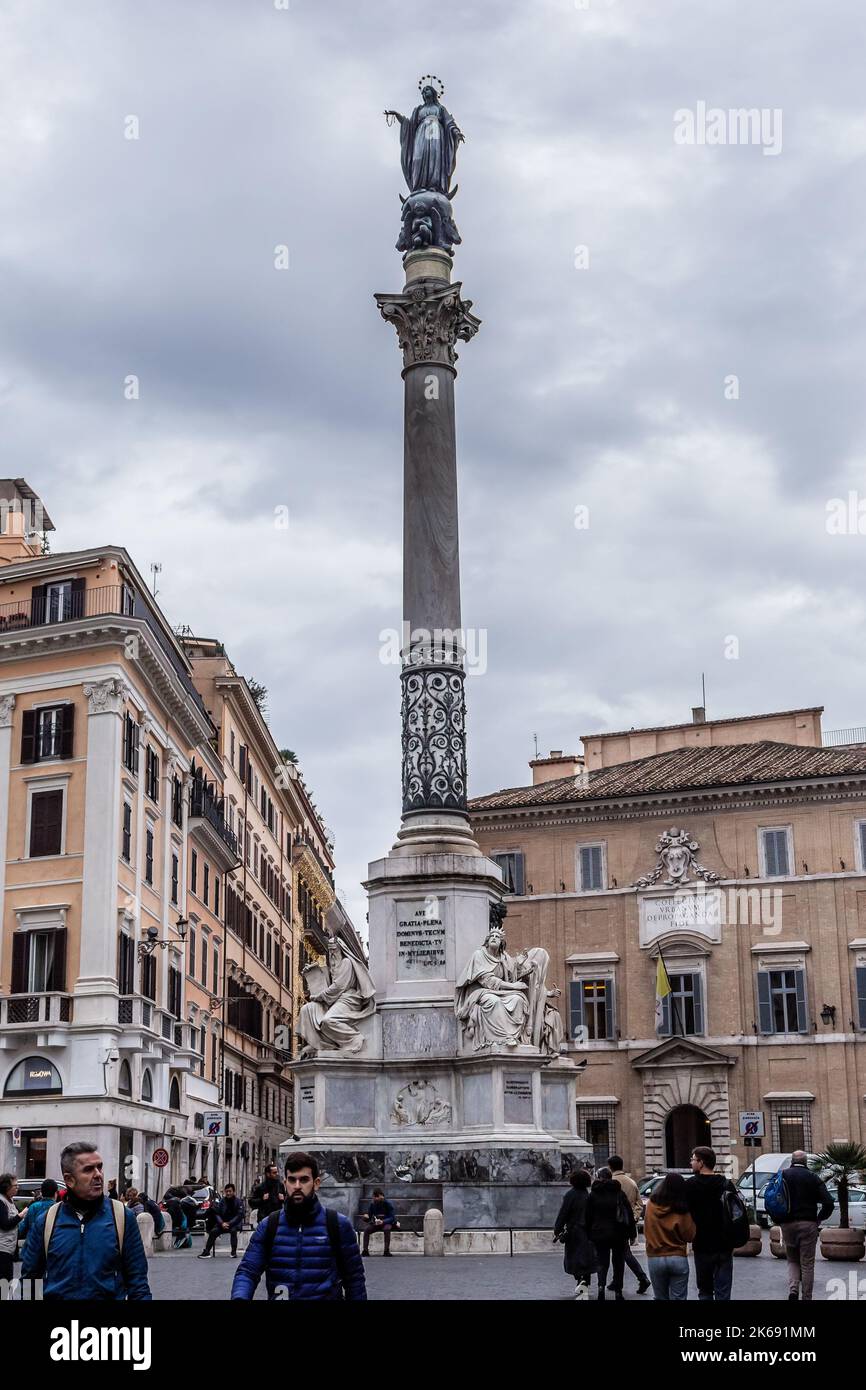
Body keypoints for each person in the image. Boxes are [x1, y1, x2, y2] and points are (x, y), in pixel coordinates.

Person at [21, 1141, 150, 1300]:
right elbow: (28, 1284)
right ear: (69, 1180)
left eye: (100, 1167)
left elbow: (138, 1283)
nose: (98, 1174)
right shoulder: (46, 1222)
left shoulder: (122, 1217)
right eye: (88, 1169)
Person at [231, 1152, 366, 1301]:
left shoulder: (338, 1225)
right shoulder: (269, 1225)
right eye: (292, 1180)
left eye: (304, 1180)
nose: (297, 1186)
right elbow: (248, 1271)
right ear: (285, 1184)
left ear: (316, 1183)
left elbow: (354, 1280)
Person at [685, 1146, 739, 1302]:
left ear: (701, 1163)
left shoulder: (690, 1185)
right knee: (723, 1291)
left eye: (693, 1159)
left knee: (705, 1290)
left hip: (702, 1243)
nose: (691, 1162)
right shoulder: (725, 1184)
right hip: (724, 1243)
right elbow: (736, 1212)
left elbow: (684, 1212)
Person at [779, 1151, 834, 1301]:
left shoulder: (782, 1175)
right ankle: (807, 1297)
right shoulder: (813, 1177)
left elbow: (772, 1199)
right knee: (807, 1263)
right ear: (805, 1162)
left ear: (792, 1161)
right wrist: (819, 1218)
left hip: (787, 1224)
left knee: (792, 1260)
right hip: (808, 1224)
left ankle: (793, 1290)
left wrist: (779, 1219)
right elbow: (828, 1202)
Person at [586, 1166, 636, 1300]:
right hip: (618, 1233)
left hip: (599, 1233)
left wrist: (588, 1233)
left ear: (599, 1177)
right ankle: (618, 1291)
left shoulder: (594, 1194)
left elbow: (588, 1216)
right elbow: (628, 1214)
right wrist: (632, 1234)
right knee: (618, 1262)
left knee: (602, 1262)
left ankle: (601, 1288)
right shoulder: (619, 1192)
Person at [643, 1173, 696, 1301]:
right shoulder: (682, 1207)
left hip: (655, 1257)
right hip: (677, 1257)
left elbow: (646, 1229)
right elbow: (690, 1236)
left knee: (660, 1297)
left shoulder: (651, 1204)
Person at [608, 1155, 651, 1295]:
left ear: (610, 1167)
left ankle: (642, 1277)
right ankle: (616, 1281)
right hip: (626, 1223)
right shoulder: (631, 1182)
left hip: (613, 1224)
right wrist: (634, 1219)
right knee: (618, 1254)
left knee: (624, 1253)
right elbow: (639, 1203)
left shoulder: (610, 1182)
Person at [553, 1168, 596, 1297]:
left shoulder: (570, 1195)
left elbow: (563, 1214)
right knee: (586, 1258)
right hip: (587, 1232)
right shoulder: (588, 1195)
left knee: (574, 1258)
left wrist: (557, 1229)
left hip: (574, 1232)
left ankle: (579, 1279)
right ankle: (585, 1282)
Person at [199, 1184, 245, 1258]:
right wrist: (221, 1223)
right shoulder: (222, 1201)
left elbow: (239, 1216)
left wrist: (229, 1223)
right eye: (226, 1191)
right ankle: (207, 1252)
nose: (228, 1193)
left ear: (234, 1192)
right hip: (223, 1223)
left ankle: (233, 1252)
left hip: (233, 1224)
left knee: (233, 1231)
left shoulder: (238, 1202)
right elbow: (217, 1213)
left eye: (230, 1191)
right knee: (213, 1231)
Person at [0, 1174, 27, 1282]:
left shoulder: (10, 1200)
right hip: (2, 1248)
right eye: (15, 1186)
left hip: (9, 1248)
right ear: (6, 1187)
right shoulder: (1, 1202)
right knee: (4, 1280)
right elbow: (5, 1224)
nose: (17, 1187)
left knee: (8, 1280)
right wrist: (21, 1215)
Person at [361, 1190, 397, 1256]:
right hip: (377, 1223)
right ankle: (365, 1250)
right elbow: (369, 1216)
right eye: (374, 1197)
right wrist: (365, 1217)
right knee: (367, 1230)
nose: (375, 1199)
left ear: (381, 1196)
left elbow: (392, 1217)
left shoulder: (387, 1203)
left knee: (386, 1229)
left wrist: (383, 1221)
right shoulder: (373, 1204)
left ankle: (386, 1250)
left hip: (386, 1223)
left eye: (376, 1197)